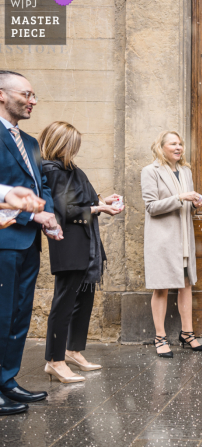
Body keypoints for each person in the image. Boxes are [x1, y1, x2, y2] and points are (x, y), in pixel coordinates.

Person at [39, 122, 123, 383]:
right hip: (69, 244)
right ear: (61, 143)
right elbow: (65, 210)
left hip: (85, 244)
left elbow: (82, 200)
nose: (75, 148)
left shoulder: (70, 168)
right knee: (63, 303)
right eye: (72, 143)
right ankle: (54, 360)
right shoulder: (51, 170)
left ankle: (73, 350)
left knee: (83, 300)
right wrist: (99, 210)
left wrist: (103, 201)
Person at [0, 70, 61, 416]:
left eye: (34, 95)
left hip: (29, 244)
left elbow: (43, 188)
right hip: (4, 240)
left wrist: (48, 216)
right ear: (2, 95)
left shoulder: (33, 143)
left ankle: (8, 380)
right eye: (27, 94)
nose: (33, 101)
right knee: (1, 315)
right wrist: (29, 216)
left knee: (19, 314)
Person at [141, 130, 202, 358]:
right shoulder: (150, 172)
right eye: (173, 144)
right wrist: (181, 198)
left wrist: (195, 203)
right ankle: (160, 337)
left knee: (186, 285)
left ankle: (187, 333)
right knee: (161, 287)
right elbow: (151, 207)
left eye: (180, 144)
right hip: (162, 240)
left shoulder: (185, 171)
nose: (179, 148)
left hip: (184, 239)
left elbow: (185, 205)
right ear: (161, 147)